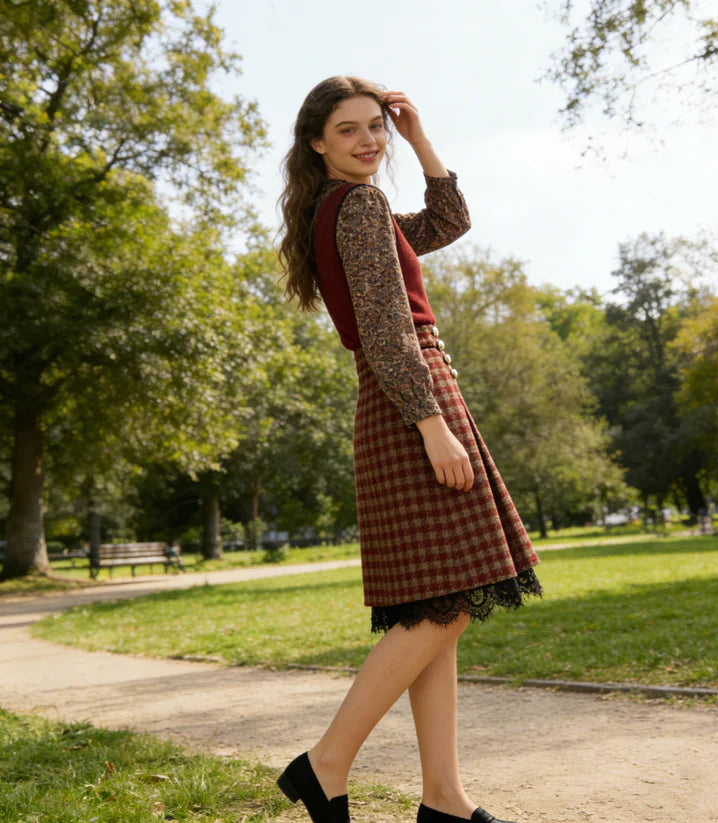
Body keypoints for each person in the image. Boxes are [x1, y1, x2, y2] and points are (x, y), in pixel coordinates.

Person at [276, 76, 542, 823]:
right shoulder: (356, 207)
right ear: (317, 142)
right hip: (412, 402)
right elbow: (390, 328)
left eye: (376, 128)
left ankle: (444, 799)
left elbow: (450, 219)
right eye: (350, 129)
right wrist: (432, 424)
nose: (369, 140)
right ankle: (323, 763)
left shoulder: (348, 208)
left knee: (441, 601)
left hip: (395, 400)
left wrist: (419, 134)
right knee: (437, 610)